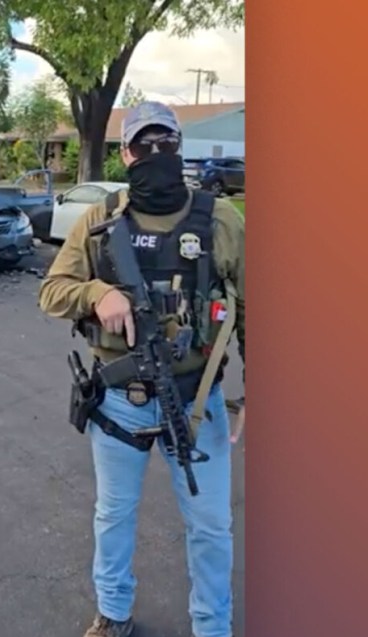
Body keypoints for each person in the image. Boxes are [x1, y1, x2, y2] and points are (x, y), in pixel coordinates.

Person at [38, 101, 246, 637]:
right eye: (145, 144)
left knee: (211, 527)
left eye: (166, 143)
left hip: (197, 403)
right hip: (119, 403)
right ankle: (113, 615)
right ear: (126, 153)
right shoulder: (101, 218)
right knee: (113, 517)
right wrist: (96, 292)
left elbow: (249, 307)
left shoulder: (220, 218)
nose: (156, 153)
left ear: (179, 147)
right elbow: (52, 291)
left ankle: (212, 627)